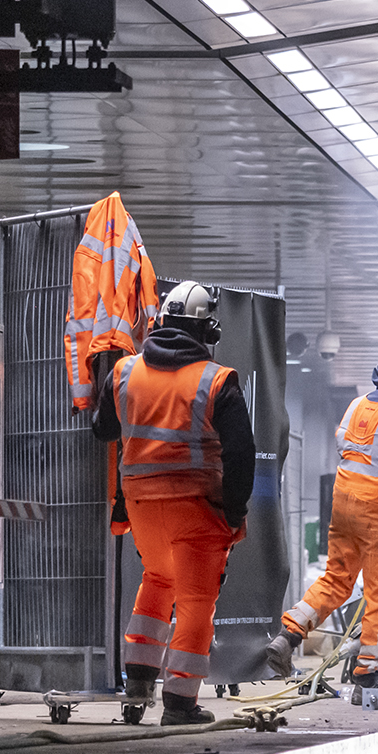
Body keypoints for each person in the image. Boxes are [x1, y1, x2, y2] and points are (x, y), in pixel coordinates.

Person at [91, 281, 251, 725]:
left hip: (141, 506)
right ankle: (180, 703)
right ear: (206, 331)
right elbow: (241, 453)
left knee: (157, 581)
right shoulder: (217, 381)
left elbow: (103, 429)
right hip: (196, 507)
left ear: (162, 322)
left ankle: (138, 685)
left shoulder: (124, 372)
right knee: (196, 601)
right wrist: (234, 511)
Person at [264, 338, 378, 686]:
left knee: (336, 579)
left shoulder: (356, 405)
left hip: (342, 502)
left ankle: (289, 633)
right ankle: (369, 672)